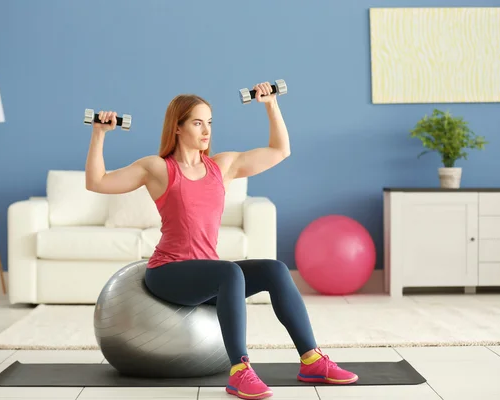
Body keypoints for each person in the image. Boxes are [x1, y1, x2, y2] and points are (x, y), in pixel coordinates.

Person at [85, 82, 358, 399]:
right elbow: (97, 182)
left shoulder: (221, 166)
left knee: (276, 269)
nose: (206, 131)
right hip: (168, 272)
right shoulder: (158, 168)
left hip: (206, 273)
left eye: (210, 122)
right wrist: (99, 134)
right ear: (177, 127)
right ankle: (240, 371)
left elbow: (280, 150)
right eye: (198, 123)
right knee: (229, 272)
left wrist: (270, 104)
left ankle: (311, 360)